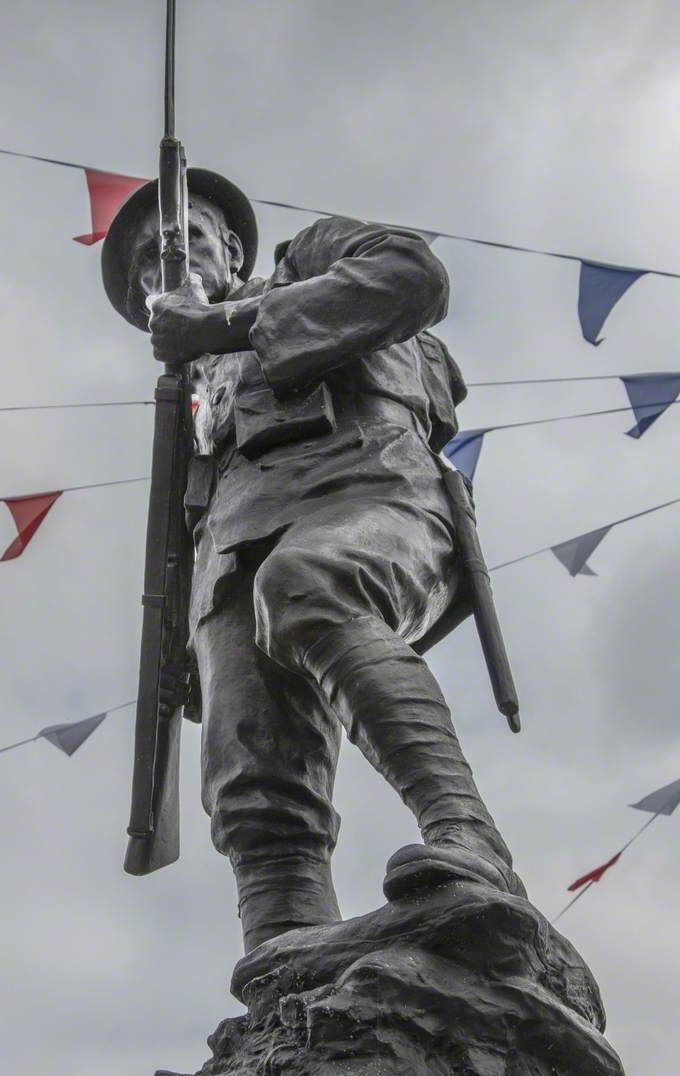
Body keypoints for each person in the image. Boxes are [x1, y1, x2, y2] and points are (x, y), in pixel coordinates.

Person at [102, 170, 525, 955]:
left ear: (229, 247)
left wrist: (222, 323)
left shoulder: (314, 262)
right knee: (246, 768)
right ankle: (283, 960)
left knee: (305, 587)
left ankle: (470, 841)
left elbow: (415, 277)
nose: (167, 260)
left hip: (367, 488)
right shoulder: (188, 408)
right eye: (147, 267)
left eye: (183, 236)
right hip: (232, 558)